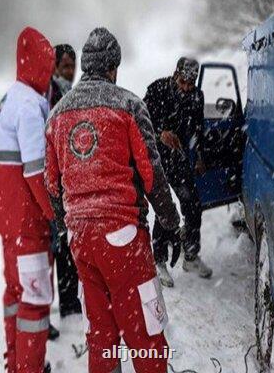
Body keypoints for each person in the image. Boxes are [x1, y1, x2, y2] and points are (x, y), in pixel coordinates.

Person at [45, 27, 181, 373]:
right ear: (112, 68)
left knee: (102, 335)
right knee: (145, 334)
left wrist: (67, 224)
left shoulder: (57, 115)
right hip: (123, 239)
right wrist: (170, 220)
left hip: (82, 243)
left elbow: (52, 183)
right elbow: (151, 172)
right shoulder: (128, 106)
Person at [0, 27, 55, 373]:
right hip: (28, 221)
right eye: (49, 65)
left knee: (15, 292)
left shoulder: (8, 98)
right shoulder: (28, 107)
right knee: (36, 299)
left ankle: (16, 363)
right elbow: (35, 171)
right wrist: (52, 212)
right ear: (40, 65)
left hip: (7, 217)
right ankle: (30, 368)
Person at [143, 57, 213, 288]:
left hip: (180, 157)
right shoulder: (157, 89)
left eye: (190, 84)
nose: (186, 88)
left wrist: (200, 157)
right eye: (183, 82)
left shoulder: (196, 96)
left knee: (193, 203)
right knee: (165, 205)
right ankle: (159, 259)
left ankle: (190, 255)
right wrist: (160, 133)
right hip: (157, 158)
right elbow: (140, 124)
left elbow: (198, 129)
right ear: (175, 75)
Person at [48, 44, 83, 319]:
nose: (70, 72)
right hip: (57, 180)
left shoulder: (68, 92)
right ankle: (68, 302)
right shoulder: (52, 94)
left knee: (67, 240)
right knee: (61, 242)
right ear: (54, 66)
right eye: (65, 66)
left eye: (73, 66)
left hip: (66, 178)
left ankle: (70, 299)